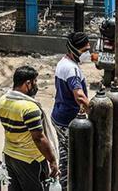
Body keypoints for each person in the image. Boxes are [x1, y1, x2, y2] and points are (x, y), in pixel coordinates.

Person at [0, 66, 59, 191]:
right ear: (27, 83)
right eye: (35, 82)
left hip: (10, 156)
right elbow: (38, 138)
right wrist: (52, 161)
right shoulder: (29, 108)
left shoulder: (3, 101)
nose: (36, 86)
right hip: (31, 160)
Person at [50, 32, 91, 187]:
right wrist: (94, 113)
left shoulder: (63, 63)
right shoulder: (72, 70)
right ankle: (67, 185)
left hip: (59, 115)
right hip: (68, 120)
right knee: (73, 157)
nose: (87, 53)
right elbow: (79, 96)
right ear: (74, 49)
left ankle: (63, 184)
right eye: (84, 50)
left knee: (65, 153)